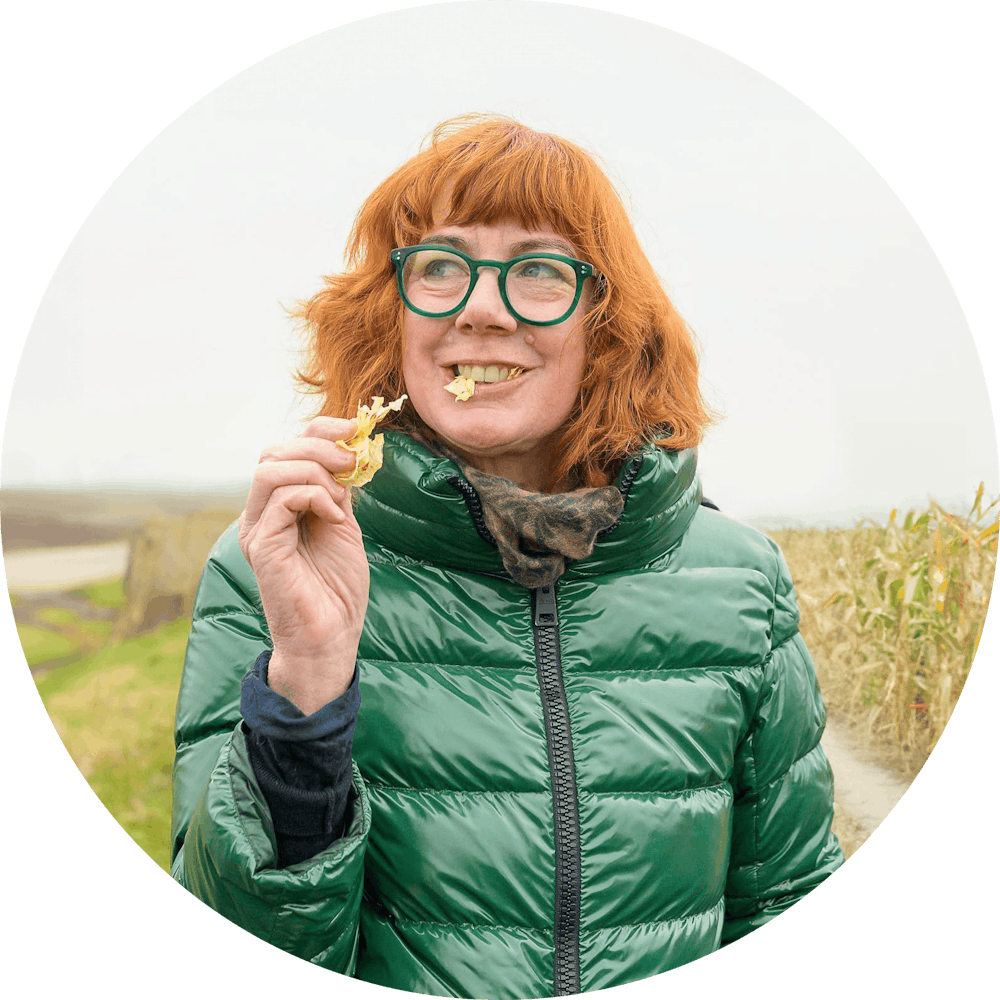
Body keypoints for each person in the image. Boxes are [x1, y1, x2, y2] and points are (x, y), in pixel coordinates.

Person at [171, 116, 843, 999]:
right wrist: (304, 689)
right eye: (440, 267)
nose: (479, 308)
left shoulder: (738, 580)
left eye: (538, 270)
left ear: (605, 322)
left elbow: (790, 900)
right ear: (393, 312)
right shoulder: (270, 566)